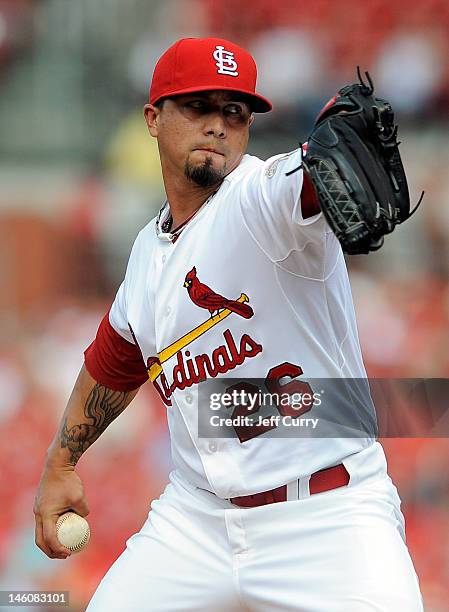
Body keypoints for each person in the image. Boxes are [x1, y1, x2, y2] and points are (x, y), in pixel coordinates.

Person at [34, 37, 423, 611]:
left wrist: (319, 165)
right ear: (153, 118)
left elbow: (301, 184)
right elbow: (114, 362)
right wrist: (61, 464)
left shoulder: (260, 198)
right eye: (198, 106)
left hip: (327, 518)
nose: (218, 124)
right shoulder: (147, 254)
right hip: (195, 522)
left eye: (234, 112)